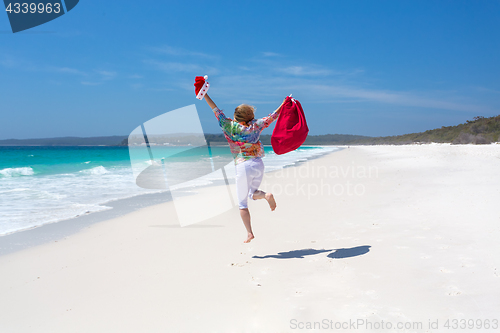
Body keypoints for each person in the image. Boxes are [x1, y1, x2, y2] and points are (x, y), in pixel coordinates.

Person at [203, 93, 285, 243]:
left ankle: (249, 233)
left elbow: (215, 109)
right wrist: (284, 103)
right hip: (258, 164)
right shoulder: (256, 125)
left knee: (242, 204)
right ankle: (266, 195)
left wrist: (205, 94)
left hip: (242, 166)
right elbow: (272, 116)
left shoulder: (229, 125)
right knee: (252, 193)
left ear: (236, 116)